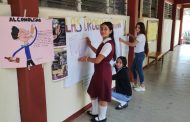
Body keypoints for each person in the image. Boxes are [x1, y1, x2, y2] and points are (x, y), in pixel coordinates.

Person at [78, 22, 116, 122]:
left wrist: (86, 58)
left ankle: (102, 117)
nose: (102, 31)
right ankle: (95, 111)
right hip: (99, 72)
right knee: (92, 91)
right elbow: (99, 53)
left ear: (110, 31)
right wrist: (90, 46)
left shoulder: (108, 44)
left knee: (103, 96)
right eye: (101, 28)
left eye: (105, 29)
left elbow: (98, 60)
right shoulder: (104, 42)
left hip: (103, 72)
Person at [119, 22, 149, 92]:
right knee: (132, 68)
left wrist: (123, 41)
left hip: (139, 55)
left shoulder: (141, 36)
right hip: (138, 55)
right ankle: (135, 84)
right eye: (136, 27)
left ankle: (142, 86)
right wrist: (130, 35)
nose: (137, 29)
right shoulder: (141, 35)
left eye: (139, 27)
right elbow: (136, 38)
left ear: (142, 28)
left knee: (139, 70)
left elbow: (133, 44)